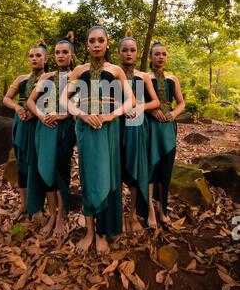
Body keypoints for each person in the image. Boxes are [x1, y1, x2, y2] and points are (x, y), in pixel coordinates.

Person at [59, 25, 135, 254]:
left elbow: (131, 101)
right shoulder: (79, 70)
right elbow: (64, 99)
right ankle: (90, 233)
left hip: (109, 128)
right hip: (85, 129)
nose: (96, 44)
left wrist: (111, 115)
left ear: (108, 43)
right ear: (87, 45)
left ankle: (104, 233)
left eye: (101, 40)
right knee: (89, 178)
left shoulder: (116, 71)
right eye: (92, 41)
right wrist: (82, 114)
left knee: (109, 178)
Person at [27, 33, 76, 238]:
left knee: (62, 173)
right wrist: (40, 116)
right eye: (57, 52)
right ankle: (52, 215)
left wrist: (64, 114)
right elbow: (31, 101)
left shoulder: (78, 76)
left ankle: (61, 218)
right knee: (46, 171)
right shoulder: (46, 77)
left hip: (66, 128)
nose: (60, 55)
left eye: (65, 52)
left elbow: (82, 104)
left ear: (72, 56)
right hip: (45, 128)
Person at [118, 31, 160, 234]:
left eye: (132, 50)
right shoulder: (113, 74)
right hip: (116, 126)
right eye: (124, 50)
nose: (128, 53)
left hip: (138, 126)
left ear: (137, 54)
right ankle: (117, 214)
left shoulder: (143, 76)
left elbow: (156, 101)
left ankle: (133, 214)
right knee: (116, 170)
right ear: (118, 53)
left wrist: (140, 107)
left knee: (135, 170)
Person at [3, 41, 48, 221]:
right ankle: (24, 204)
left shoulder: (50, 78)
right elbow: (6, 99)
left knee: (37, 162)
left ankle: (37, 207)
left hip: (40, 123)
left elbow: (53, 103)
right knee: (21, 163)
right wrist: (16, 108)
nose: (34, 59)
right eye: (31, 56)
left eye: (38, 56)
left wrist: (36, 114)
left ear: (45, 59)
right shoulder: (21, 78)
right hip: (21, 123)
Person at [146, 42, 185, 228]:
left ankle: (163, 208)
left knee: (166, 169)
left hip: (168, 127)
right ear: (150, 57)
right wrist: (152, 112)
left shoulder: (172, 78)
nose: (161, 57)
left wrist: (174, 114)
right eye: (157, 54)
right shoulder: (144, 78)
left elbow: (181, 103)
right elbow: (137, 103)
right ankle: (150, 211)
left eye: (164, 54)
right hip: (150, 128)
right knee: (150, 169)